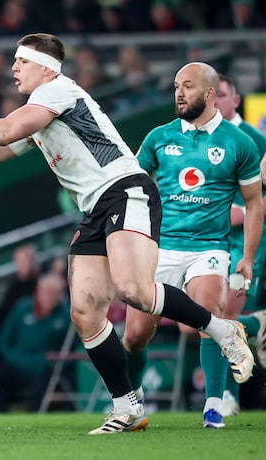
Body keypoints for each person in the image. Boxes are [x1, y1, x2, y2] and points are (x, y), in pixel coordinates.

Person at [0, 33, 255, 434]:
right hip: (95, 208)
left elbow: (3, 131)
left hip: (124, 191)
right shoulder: (40, 108)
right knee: (85, 312)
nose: (14, 68)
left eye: (21, 61)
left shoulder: (57, 90)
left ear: (45, 68)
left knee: (134, 290)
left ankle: (222, 329)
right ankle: (127, 407)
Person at [121, 63, 263, 429]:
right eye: (175, 87)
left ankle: (214, 406)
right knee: (134, 337)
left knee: (209, 317)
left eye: (187, 86)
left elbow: (255, 204)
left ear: (210, 93)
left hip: (209, 248)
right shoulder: (159, 137)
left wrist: (247, 257)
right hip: (160, 248)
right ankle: (132, 403)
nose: (179, 93)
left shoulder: (239, 142)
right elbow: (131, 187)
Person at [215, 73, 266, 417]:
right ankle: (259, 324)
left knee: (224, 317)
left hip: (246, 244)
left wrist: (242, 213)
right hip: (208, 243)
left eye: (221, 95)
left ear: (236, 100)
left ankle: (226, 395)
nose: (215, 101)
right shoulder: (197, 139)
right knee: (196, 325)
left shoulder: (254, 140)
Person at [0, 272, 70, 412]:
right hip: (17, 364)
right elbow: (4, 341)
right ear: (38, 291)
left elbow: (73, 347)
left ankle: (34, 416)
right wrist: (17, 359)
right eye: (47, 292)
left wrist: (52, 361)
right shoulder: (22, 308)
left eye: (54, 293)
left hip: (45, 368)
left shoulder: (66, 315)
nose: (50, 296)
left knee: (46, 378)